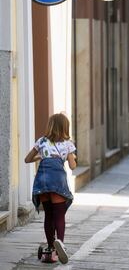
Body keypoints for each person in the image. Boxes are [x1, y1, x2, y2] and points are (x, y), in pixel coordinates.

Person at [25, 113, 76, 264]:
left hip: (42, 180)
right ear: (65, 127)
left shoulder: (41, 141)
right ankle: (59, 242)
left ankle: (50, 246)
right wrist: (71, 158)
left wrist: (40, 157)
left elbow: (27, 159)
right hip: (57, 180)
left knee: (48, 215)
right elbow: (73, 166)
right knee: (59, 215)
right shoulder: (67, 144)